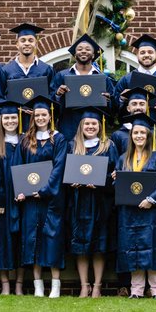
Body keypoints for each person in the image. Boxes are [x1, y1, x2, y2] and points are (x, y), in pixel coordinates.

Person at [113, 114, 156, 299]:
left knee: (155, 248)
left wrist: (151, 199)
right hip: (130, 213)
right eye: (136, 133)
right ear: (131, 135)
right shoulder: (124, 158)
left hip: (153, 212)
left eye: (142, 132)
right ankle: (136, 291)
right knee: (133, 249)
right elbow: (120, 185)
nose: (139, 136)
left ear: (149, 135)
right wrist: (115, 179)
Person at [15, 95, 68, 298]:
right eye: (37, 115)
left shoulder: (59, 138)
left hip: (51, 199)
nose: (40, 118)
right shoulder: (26, 139)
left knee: (52, 239)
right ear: (32, 117)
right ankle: (38, 286)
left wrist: (44, 190)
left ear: (50, 115)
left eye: (44, 114)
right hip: (30, 200)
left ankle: (55, 285)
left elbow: (59, 167)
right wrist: (21, 190)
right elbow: (19, 167)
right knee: (33, 240)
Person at [64, 108, 116, 298]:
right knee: (81, 246)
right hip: (78, 202)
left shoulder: (108, 146)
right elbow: (64, 174)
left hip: (100, 202)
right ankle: (84, 285)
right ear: (81, 126)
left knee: (99, 245)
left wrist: (102, 184)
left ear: (100, 126)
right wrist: (71, 183)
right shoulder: (72, 146)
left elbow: (115, 174)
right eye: (87, 124)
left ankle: (97, 286)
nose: (91, 126)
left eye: (94, 124)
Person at [0, 103, 22, 294]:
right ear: (0, 120)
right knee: (2, 241)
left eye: (13, 118)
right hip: (3, 201)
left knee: (21, 241)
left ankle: (19, 284)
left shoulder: (25, 140)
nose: (10, 121)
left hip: (22, 198)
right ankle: (5, 284)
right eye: (6, 118)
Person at [51, 34, 115, 141]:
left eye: (87, 49)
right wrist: (57, 95)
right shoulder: (62, 76)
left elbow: (113, 107)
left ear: (94, 54)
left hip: (93, 128)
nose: (83, 51)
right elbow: (51, 105)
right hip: (69, 126)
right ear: (75, 54)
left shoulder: (102, 78)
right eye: (79, 49)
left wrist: (108, 100)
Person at [114, 34, 156, 127]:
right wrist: (121, 99)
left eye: (150, 52)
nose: (146, 55)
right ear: (137, 55)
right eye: (142, 52)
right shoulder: (127, 79)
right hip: (133, 132)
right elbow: (113, 104)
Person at [2, 22, 54, 87]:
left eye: (31, 40)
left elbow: (52, 93)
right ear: (17, 44)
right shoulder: (6, 70)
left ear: (36, 44)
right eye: (23, 41)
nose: (27, 43)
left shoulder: (46, 69)